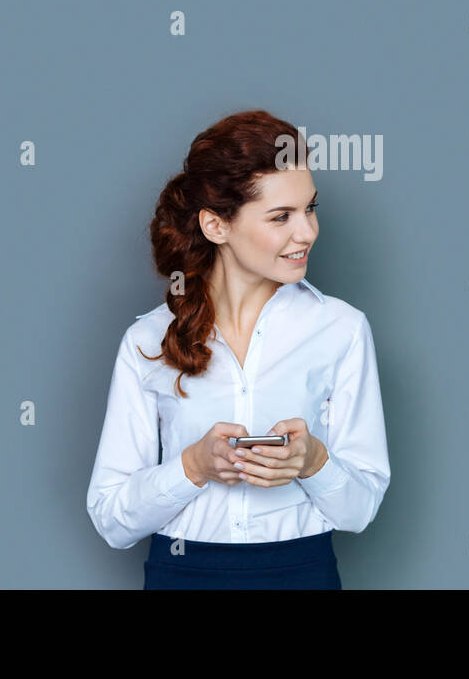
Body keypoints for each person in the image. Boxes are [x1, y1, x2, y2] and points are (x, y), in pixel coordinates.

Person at [86, 109, 390, 589]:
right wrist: (193, 466)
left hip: (302, 573)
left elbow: (360, 511)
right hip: (181, 573)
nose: (307, 232)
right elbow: (111, 518)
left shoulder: (342, 330)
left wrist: (312, 462)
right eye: (281, 216)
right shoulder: (146, 341)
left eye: (310, 208)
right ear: (216, 225)